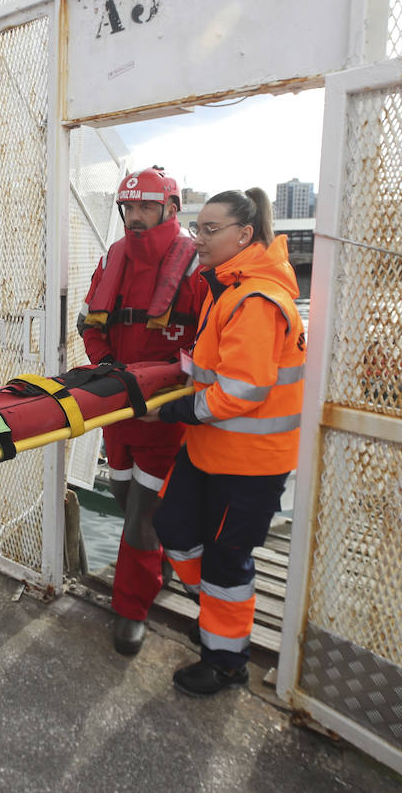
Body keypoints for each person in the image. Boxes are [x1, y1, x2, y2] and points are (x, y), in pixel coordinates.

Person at [153, 187, 305, 696]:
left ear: (243, 234)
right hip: (211, 450)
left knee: (226, 562)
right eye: (197, 228)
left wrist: (182, 408)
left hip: (249, 463)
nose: (198, 239)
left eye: (209, 230)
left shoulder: (257, 299)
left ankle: (225, 661)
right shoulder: (229, 289)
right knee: (172, 526)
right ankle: (218, 611)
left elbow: (244, 388)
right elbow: (213, 368)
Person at [76, 166, 207, 656]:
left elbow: (207, 340)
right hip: (118, 404)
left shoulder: (193, 266)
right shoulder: (113, 259)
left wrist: (171, 389)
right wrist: (104, 364)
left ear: (170, 209)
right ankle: (165, 563)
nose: (135, 217)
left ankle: (131, 609)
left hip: (164, 411)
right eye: (128, 208)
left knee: (140, 516)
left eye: (145, 207)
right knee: (122, 492)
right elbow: (92, 321)